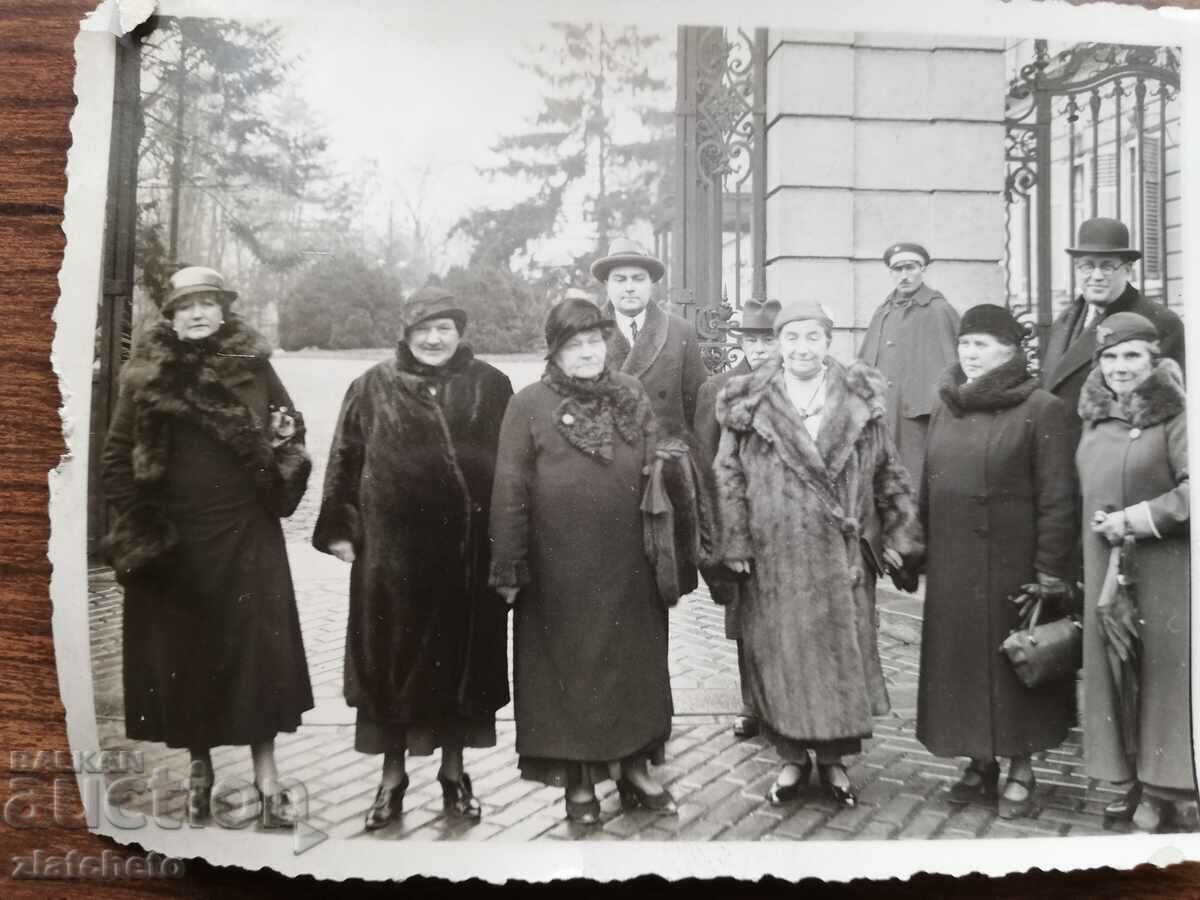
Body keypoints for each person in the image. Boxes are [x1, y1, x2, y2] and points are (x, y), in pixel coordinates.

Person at [101, 265, 313, 828]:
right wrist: (146, 527)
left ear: (224, 310)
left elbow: (292, 433)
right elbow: (115, 459)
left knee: (257, 658)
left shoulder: (253, 366)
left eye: (207, 303)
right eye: (185, 305)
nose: (197, 314)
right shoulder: (145, 376)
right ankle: (200, 772)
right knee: (187, 658)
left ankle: (268, 781)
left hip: (246, 536)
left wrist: (281, 473)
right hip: (178, 543)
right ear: (170, 316)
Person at [313, 287, 513, 830]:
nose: (433, 338)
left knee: (461, 672)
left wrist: (508, 546)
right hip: (392, 563)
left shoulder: (491, 386)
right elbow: (344, 459)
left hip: (467, 559)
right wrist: (340, 529)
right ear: (406, 333)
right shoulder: (371, 386)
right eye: (423, 328)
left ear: (460, 332)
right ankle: (392, 778)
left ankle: (454, 773)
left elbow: (512, 472)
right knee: (391, 671)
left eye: (444, 327)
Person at [715, 299, 922, 808]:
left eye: (812, 337)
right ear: (779, 344)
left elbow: (889, 473)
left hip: (840, 557)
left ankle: (832, 761)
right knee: (782, 655)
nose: (802, 348)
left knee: (837, 660)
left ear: (828, 343)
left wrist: (900, 536)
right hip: (775, 555)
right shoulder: (750, 400)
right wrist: (736, 540)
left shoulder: (858, 399)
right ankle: (790, 759)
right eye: (792, 338)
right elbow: (727, 475)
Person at [489, 297, 675, 825]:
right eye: (575, 345)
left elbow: (656, 464)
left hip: (628, 564)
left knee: (635, 667)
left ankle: (636, 767)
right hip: (558, 571)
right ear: (556, 352)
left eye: (595, 341)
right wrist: (509, 565)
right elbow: (508, 488)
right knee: (568, 673)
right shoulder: (529, 404)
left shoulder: (631, 393)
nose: (589, 352)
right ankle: (579, 781)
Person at [916, 304, 1078, 819]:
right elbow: (929, 483)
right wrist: (917, 545)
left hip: (1013, 567)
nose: (970, 352)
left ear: (1011, 350)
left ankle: (1022, 769)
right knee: (963, 666)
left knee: (1013, 667)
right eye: (965, 343)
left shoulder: (1042, 409)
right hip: (954, 565)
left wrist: (1051, 571)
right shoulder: (947, 406)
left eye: (982, 343)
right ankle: (979, 761)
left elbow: (1059, 497)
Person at [1076, 312, 1193, 832]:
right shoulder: (1095, 416)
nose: (1120, 368)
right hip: (1106, 566)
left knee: (1164, 673)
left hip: (1164, 567)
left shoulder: (1178, 416)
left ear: (1153, 358)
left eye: (1131, 356)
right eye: (1110, 357)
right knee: (1114, 674)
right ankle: (1129, 781)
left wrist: (1138, 520)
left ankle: (1169, 786)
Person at [692, 297, 781, 740]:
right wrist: (718, 531)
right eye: (752, 340)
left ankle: (786, 703)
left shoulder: (796, 385)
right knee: (746, 617)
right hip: (739, 520)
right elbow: (706, 462)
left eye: (768, 339)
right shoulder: (719, 388)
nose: (761, 349)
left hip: (783, 521)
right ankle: (751, 703)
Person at [1043, 217, 1185, 448]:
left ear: (1127, 270)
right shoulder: (1065, 318)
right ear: (1077, 269)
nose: (1096, 276)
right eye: (1087, 265)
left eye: (1107, 266)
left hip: (1111, 454)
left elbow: (1163, 408)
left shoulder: (1159, 322)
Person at [858, 241, 960, 489]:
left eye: (910, 268)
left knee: (916, 485)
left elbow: (955, 369)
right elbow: (864, 366)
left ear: (923, 269)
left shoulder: (938, 310)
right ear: (890, 273)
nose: (904, 276)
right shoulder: (882, 312)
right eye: (897, 269)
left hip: (918, 422)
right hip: (883, 418)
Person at [592, 238, 708, 440]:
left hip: (665, 460)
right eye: (620, 279)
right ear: (606, 285)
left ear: (651, 284)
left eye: (638, 279)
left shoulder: (681, 331)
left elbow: (697, 410)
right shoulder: (588, 332)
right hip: (608, 459)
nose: (629, 287)